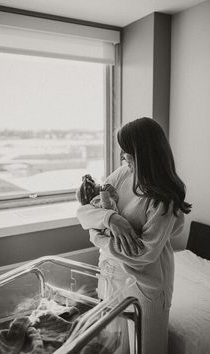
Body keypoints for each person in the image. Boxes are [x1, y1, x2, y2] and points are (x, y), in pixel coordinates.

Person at [76, 117, 191, 354]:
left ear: (145, 154)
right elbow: (85, 213)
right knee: (113, 346)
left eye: (128, 153)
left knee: (145, 349)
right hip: (111, 276)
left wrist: (98, 237)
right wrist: (111, 219)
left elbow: (143, 254)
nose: (123, 158)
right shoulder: (123, 174)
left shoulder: (164, 199)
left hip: (144, 284)